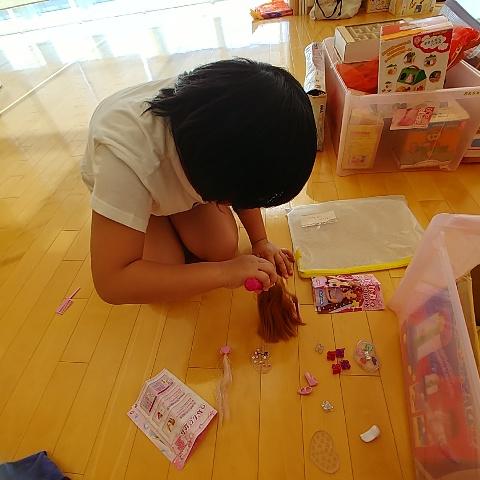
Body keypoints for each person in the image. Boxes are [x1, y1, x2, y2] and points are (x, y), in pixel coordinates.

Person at [81, 58, 317, 304]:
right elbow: (112, 282)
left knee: (222, 247)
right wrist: (224, 273)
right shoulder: (124, 162)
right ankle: (152, 217)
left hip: (177, 166)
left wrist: (260, 240)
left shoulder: (219, 121)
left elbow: (246, 168)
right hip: (135, 191)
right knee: (165, 264)